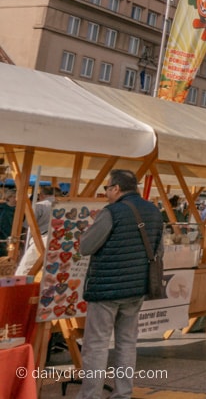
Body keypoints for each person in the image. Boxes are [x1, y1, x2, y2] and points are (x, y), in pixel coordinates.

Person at [76, 169, 163, 399]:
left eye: (107, 188)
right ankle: (123, 393)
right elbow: (158, 250)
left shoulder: (111, 212)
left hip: (106, 290)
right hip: (137, 288)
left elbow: (86, 247)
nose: (106, 193)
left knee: (96, 344)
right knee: (127, 343)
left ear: (116, 188)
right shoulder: (154, 211)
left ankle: (90, 395)